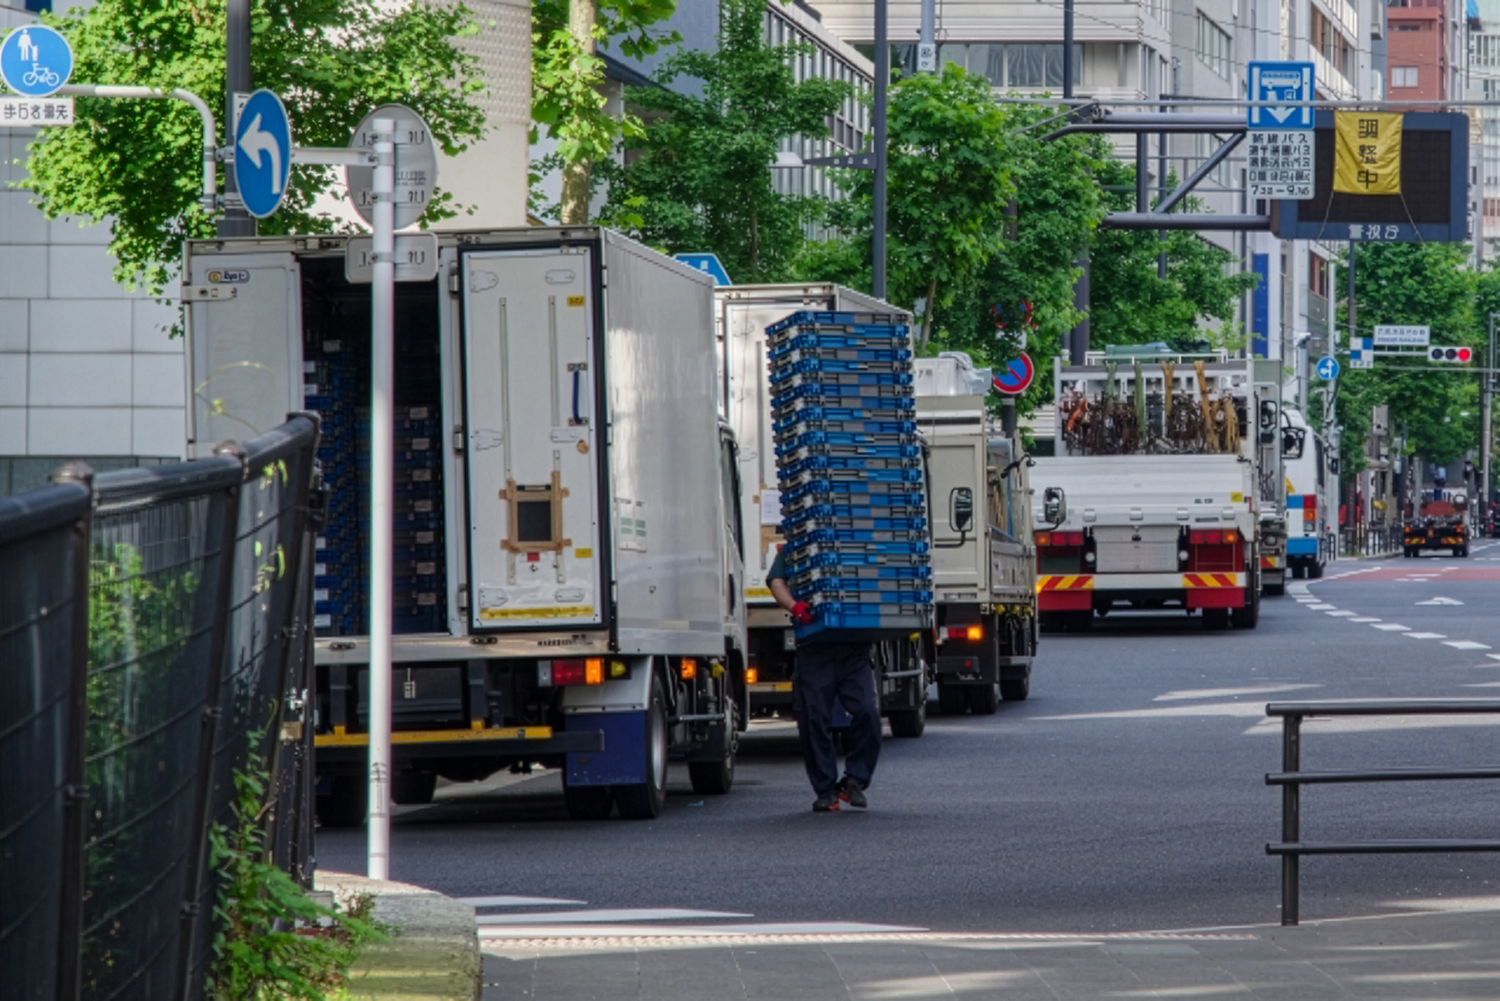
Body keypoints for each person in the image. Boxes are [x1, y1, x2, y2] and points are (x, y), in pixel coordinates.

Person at [767, 546, 880, 812]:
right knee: (814, 719)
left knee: (867, 711)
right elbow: (776, 581)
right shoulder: (798, 546)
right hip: (814, 649)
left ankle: (854, 780)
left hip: (854, 648)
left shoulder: (860, 544)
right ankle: (826, 790)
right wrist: (795, 607)